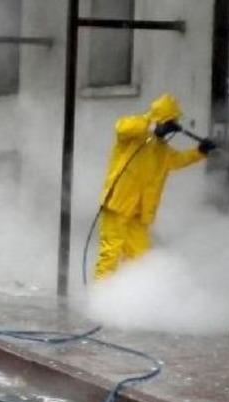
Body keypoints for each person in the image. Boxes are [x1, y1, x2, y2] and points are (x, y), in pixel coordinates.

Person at [93, 93, 217, 281]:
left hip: (139, 212)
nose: (170, 128)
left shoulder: (161, 149)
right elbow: (121, 128)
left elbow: (178, 160)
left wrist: (200, 152)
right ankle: (99, 299)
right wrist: (152, 125)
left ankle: (128, 298)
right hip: (118, 205)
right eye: (170, 121)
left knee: (140, 259)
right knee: (110, 254)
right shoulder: (135, 135)